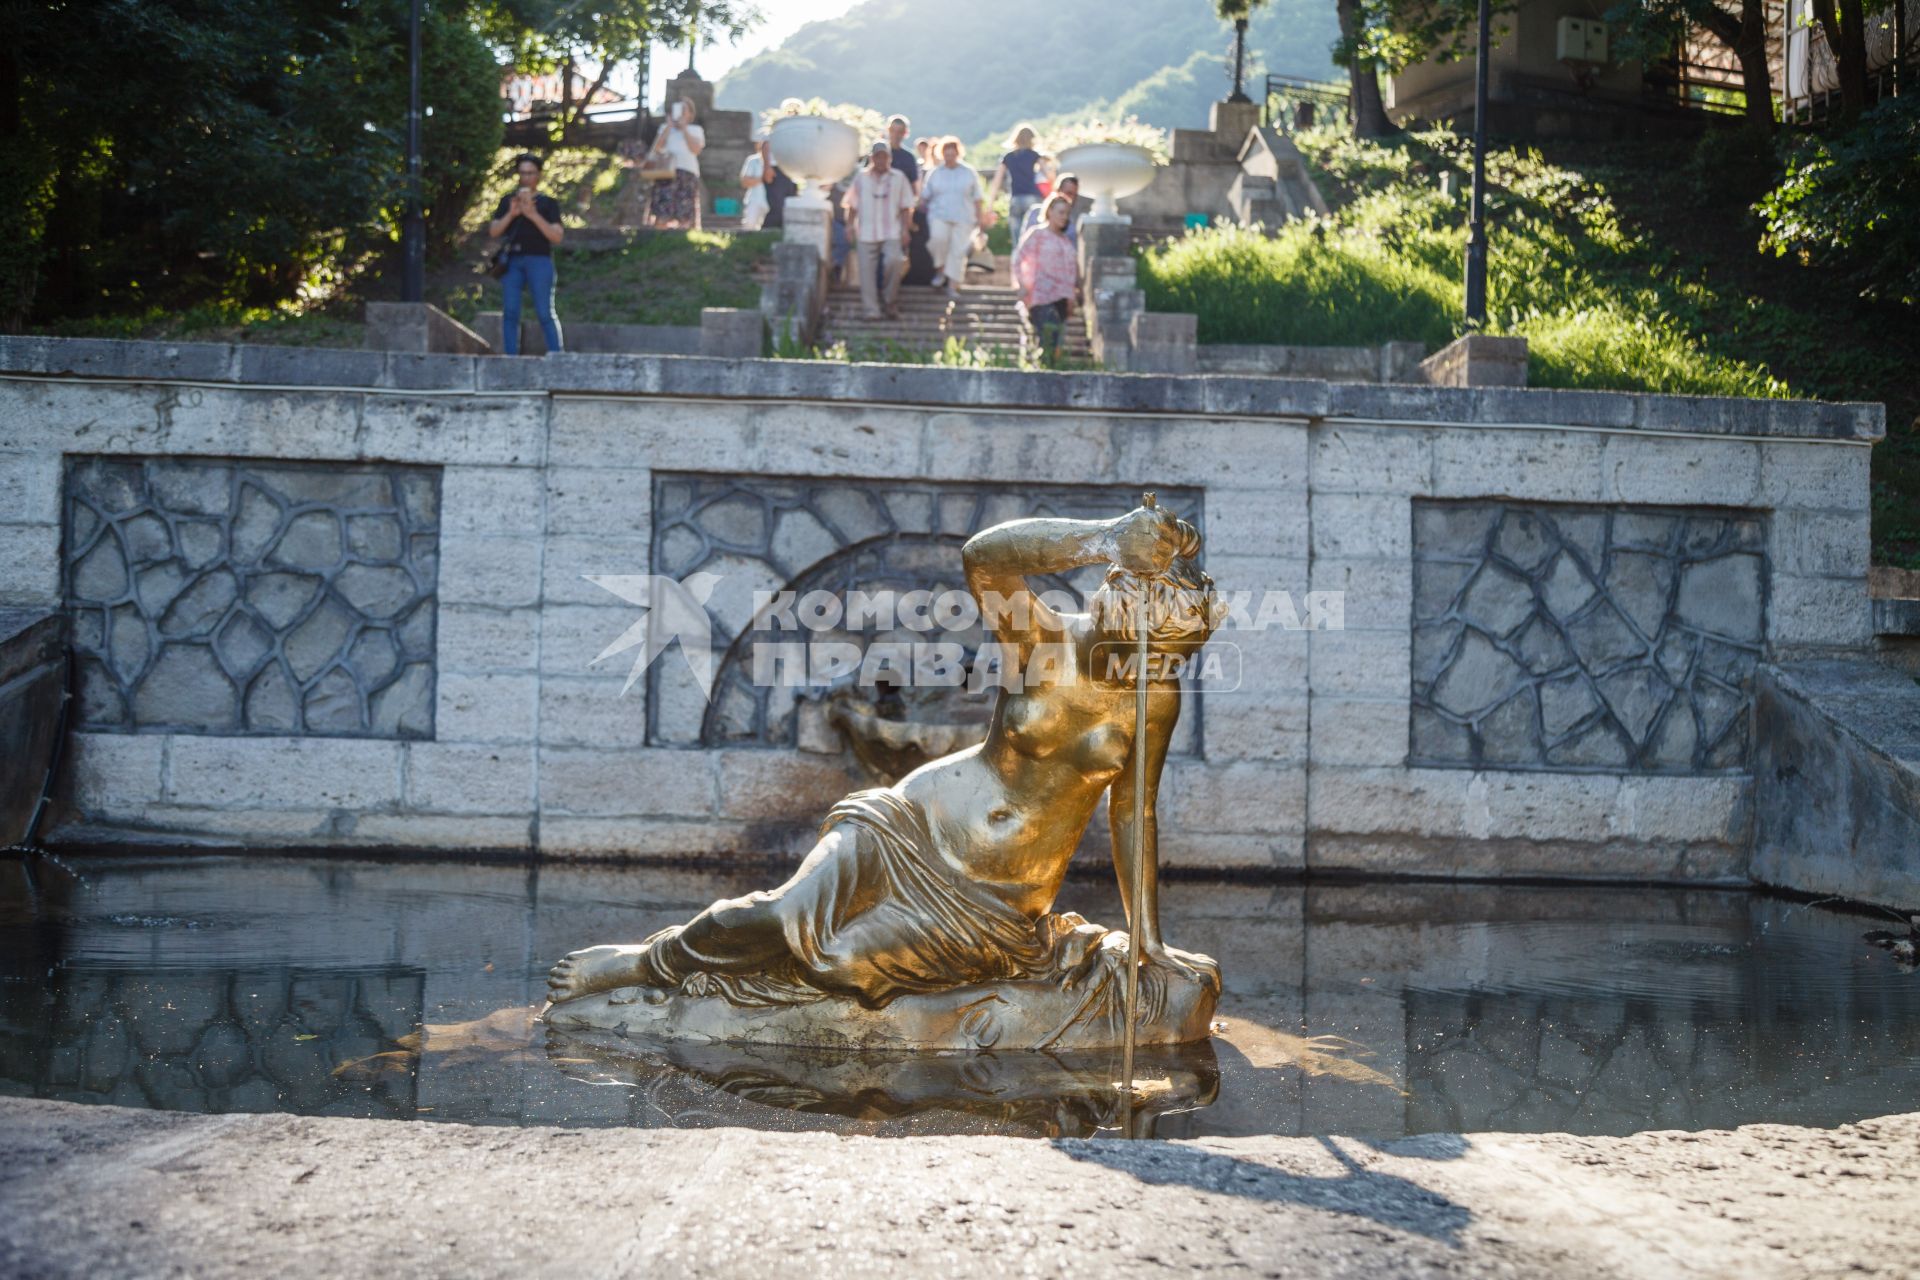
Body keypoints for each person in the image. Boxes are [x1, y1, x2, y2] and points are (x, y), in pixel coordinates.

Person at [548, 500, 1223, 1012]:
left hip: (996, 901)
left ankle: (766, 989)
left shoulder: (1155, 699)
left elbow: (1135, 813)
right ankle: (648, 963)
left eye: (1168, 658)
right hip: (911, 822)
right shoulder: (1042, 643)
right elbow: (985, 558)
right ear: (1114, 607)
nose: (1150, 667)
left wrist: (1148, 937)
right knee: (785, 914)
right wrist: (1104, 536)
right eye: (1141, 649)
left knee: (841, 961)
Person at [486, 152, 565, 355]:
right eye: (522, 173)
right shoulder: (508, 201)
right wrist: (512, 214)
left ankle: (557, 355)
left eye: (530, 173)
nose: (526, 178)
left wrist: (532, 214)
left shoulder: (548, 203)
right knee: (510, 312)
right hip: (512, 261)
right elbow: (494, 231)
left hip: (539, 260)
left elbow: (556, 237)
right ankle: (511, 356)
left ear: (538, 175)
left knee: (544, 311)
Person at [844, 142, 913, 320]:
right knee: (866, 272)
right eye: (878, 156)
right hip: (866, 231)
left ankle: (890, 300)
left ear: (889, 158)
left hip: (891, 230)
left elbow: (906, 206)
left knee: (895, 261)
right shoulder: (861, 178)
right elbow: (852, 204)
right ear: (872, 158)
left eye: (885, 156)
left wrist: (906, 230)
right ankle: (871, 309)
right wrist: (849, 225)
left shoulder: (899, 177)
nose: (881, 160)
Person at [1011, 192, 1080, 364]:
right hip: (1041, 296)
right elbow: (1019, 259)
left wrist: (1072, 297)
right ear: (1049, 212)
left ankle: (1048, 371)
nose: (1064, 217)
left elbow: (1071, 272)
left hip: (1063, 299)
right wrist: (1021, 284)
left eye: (1067, 213)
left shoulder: (1065, 241)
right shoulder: (1037, 234)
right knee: (1047, 338)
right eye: (1060, 212)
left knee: (1056, 344)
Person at [920, 137, 984, 298]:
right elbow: (925, 195)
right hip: (939, 215)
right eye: (946, 154)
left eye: (952, 154)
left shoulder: (968, 172)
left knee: (958, 251)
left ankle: (953, 286)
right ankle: (940, 269)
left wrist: (980, 220)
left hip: (964, 217)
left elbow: (977, 197)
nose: (949, 157)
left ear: (957, 154)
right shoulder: (935, 173)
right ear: (942, 155)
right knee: (938, 240)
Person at [646, 96, 705, 229]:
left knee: (684, 210)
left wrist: (684, 129)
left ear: (690, 113)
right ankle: (659, 237)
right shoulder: (664, 128)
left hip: (687, 172)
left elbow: (695, 149)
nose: (682, 112)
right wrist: (668, 127)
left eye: (685, 110)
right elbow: (657, 148)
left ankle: (681, 238)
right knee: (662, 209)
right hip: (665, 172)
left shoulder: (696, 130)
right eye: (679, 109)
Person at [987, 125, 1044, 246]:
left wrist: (990, 206)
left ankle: (1017, 263)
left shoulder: (1008, 157)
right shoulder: (1034, 155)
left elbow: (996, 181)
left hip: (1015, 199)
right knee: (1033, 240)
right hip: (1032, 198)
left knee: (1017, 242)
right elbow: (1049, 174)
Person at [1016, 172, 1082, 252]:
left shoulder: (1072, 225)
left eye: (1075, 195)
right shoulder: (1035, 214)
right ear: (1057, 191)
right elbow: (1024, 248)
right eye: (1069, 193)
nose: (1072, 199)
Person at [739, 130, 771, 231]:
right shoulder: (752, 161)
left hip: (770, 202)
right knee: (749, 226)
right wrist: (763, 177)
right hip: (754, 200)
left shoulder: (777, 161)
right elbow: (745, 182)